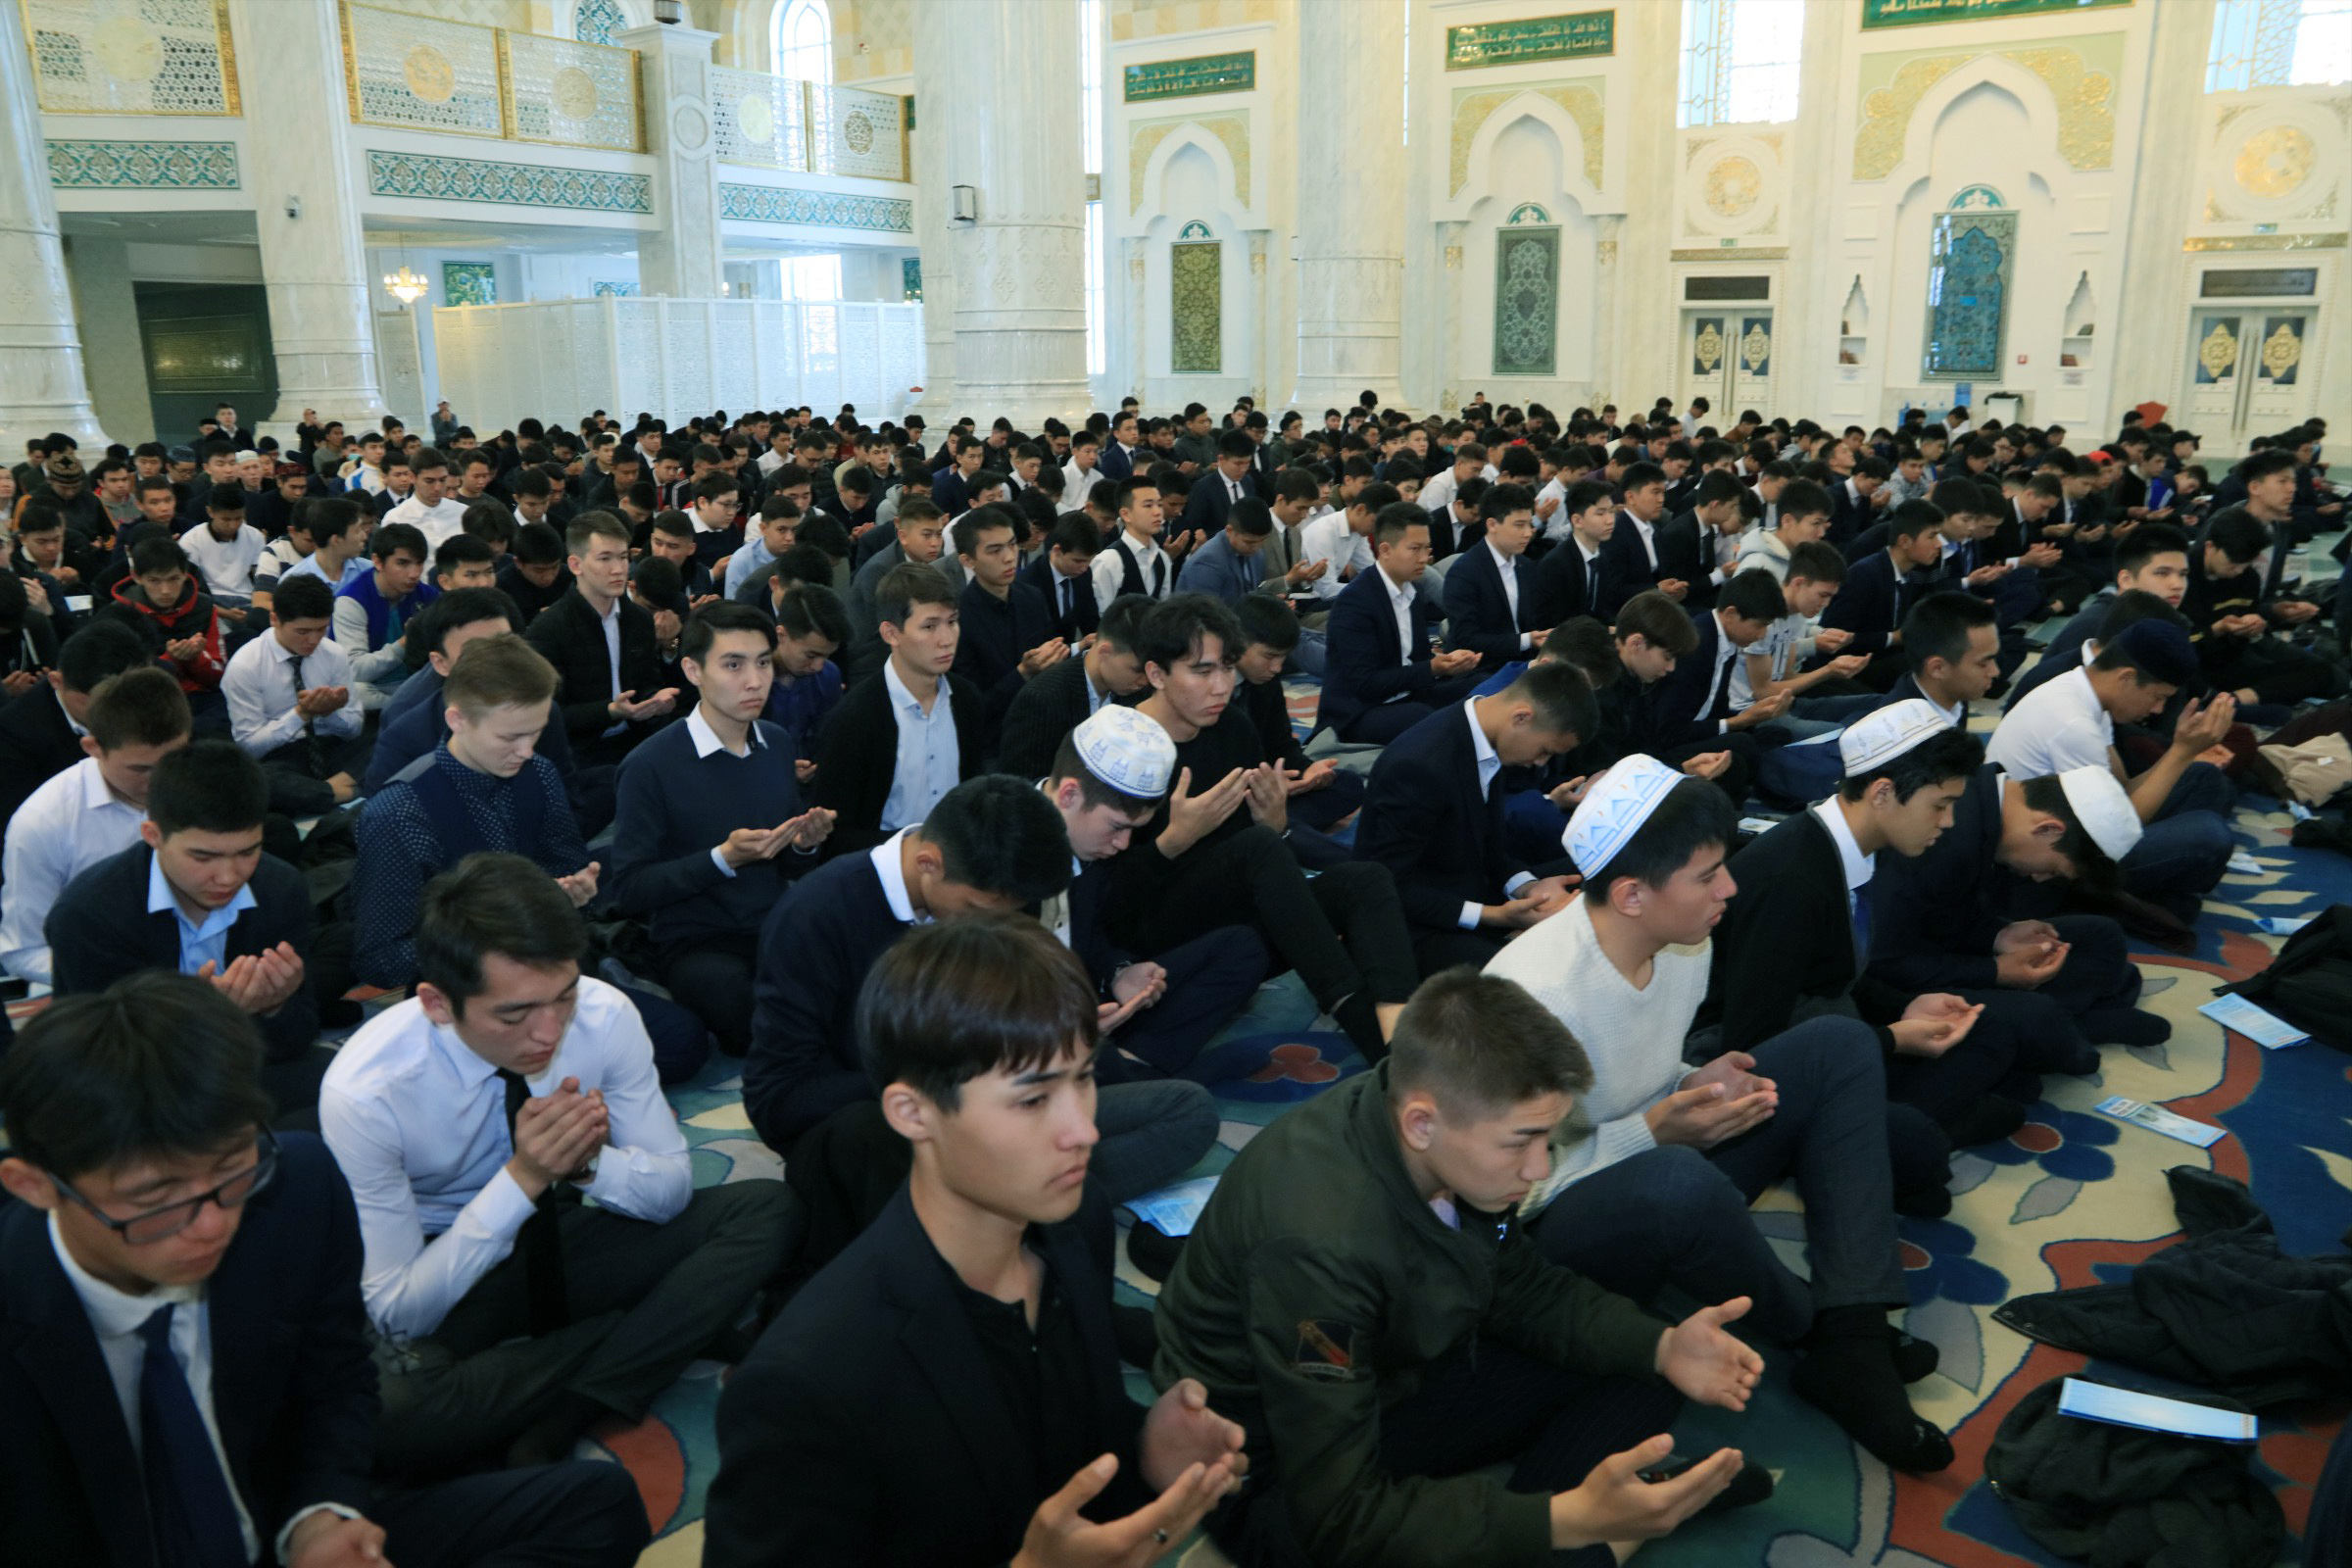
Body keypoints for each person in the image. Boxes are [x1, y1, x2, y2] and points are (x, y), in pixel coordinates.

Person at [0, 971, 652, 1568]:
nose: (212, 1225)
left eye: (232, 1170)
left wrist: (317, 1515)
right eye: (155, 1202)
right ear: (35, 1185)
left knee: (598, 1506)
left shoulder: (294, 1190)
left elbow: (335, 1381)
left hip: (273, 1530)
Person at [1153, 966, 1768, 1568]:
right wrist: (1565, 1521)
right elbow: (1338, 1514)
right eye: (1521, 1141)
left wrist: (1663, 1347)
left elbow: (1519, 1286)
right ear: (1421, 1124)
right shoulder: (1321, 1247)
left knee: (1649, 1353)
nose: (1539, 1168)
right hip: (1272, 1466)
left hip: (1393, 1374)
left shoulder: (1437, 1128)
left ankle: (1591, 1522)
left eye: (1546, 1138)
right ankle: (1594, 1530)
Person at [707, 917, 1248, 1568]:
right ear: (913, 1113)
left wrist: (1141, 1452)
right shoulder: (805, 1383)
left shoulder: (1077, 1225)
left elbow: (1052, 1453)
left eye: (1082, 1078)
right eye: (1032, 1100)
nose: (1084, 1130)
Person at [1489, 760, 1956, 1474]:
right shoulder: (1531, 1000)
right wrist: (1652, 1132)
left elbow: (1637, 1067)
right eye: (1708, 876)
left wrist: (1693, 1082)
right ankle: (1810, 1327)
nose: (1730, 889)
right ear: (1632, 894)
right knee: (1678, 1181)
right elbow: (1498, 1197)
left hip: (1645, 1151)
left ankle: (1853, 1334)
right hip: (1553, 1228)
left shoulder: (1685, 941)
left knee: (1838, 1042)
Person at [321, 853, 799, 1471]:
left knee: (767, 1210)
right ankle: (656, 1333)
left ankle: (571, 1407)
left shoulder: (603, 1013)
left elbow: (672, 1188)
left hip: (562, 1229)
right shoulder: (366, 1090)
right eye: (514, 1014)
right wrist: (525, 1177)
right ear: (438, 1004)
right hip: (443, 1257)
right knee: (391, 1409)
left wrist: (586, 1165)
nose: (548, 1033)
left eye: (563, 996)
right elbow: (398, 1311)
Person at [745, 775, 1217, 1215]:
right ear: (928, 864)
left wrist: (1061, 1036)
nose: (994, 929)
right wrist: (946, 1076)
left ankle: (1011, 1203)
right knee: (865, 1137)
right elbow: (778, 1102)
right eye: (979, 911)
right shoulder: (817, 915)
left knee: (1187, 1111)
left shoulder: (998, 892)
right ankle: (1018, 1207)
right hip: (892, 1126)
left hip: (996, 1106)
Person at [349, 633, 710, 1081]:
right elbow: (380, 959)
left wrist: (573, 893)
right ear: (457, 719)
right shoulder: (399, 812)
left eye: (536, 733)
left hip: (549, 971)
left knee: (683, 1042)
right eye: (510, 737)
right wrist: (489, 937)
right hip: (468, 998)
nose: (525, 750)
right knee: (520, 1079)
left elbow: (564, 865)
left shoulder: (537, 772)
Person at [1108, 595, 1417, 1060]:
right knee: (1258, 848)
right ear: (1156, 674)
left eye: (1226, 668)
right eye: (1202, 671)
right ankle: (1377, 1043)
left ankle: (1399, 1026)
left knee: (1365, 880)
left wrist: (1277, 827)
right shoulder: (1120, 744)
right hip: (1156, 935)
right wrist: (1173, 841)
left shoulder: (1232, 727)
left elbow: (1252, 856)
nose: (1221, 686)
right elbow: (1103, 900)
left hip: (1236, 915)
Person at [45, 741, 328, 1117]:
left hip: (244, 1067)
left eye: (247, 852)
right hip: (134, 1090)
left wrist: (275, 1006)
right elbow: (101, 1063)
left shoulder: (279, 888)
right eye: (203, 856)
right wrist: (208, 1017)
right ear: (153, 835)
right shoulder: (91, 913)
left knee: (344, 1089)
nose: (228, 877)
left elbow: (297, 1036)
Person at [610, 603, 835, 1055]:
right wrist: (722, 859)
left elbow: (787, 866)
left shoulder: (776, 743)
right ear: (692, 670)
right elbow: (630, 889)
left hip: (773, 923)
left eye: (763, 663)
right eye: (733, 665)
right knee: (747, 1009)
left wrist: (803, 846)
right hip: (696, 940)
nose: (754, 681)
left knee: (855, 979)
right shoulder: (650, 765)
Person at [1871, 755, 2165, 1053]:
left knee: (2102, 936)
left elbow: (1947, 915)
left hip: (1937, 946)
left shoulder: (1983, 804)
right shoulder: (1942, 833)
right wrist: (1994, 971)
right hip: (1889, 980)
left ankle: (2058, 1023)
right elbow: (1884, 960)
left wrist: (1997, 935)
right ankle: (2063, 1026)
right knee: (2031, 1016)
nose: (2040, 878)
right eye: (2053, 870)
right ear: (2048, 829)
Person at [1041, 707, 1269, 1078]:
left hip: (1087, 1000)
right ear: (1069, 795)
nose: (1123, 844)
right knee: (1183, 1104)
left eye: (1134, 830)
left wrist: (1119, 972)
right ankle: (1127, 1072)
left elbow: (1088, 934)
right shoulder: (1008, 851)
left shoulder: (1087, 838)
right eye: (1117, 827)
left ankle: (1131, 1063)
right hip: (1033, 1028)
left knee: (1242, 948)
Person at [1985, 618, 2237, 920]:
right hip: (2051, 862)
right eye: (2159, 697)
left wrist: (2182, 751)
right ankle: (2144, 897)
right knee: (2210, 835)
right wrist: (2182, 753)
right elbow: (2116, 829)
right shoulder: (2073, 724)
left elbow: (2122, 789)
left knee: (2204, 778)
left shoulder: (2084, 693)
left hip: (2079, 835)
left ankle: (2163, 892)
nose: (2158, 710)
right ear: (2126, 678)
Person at [1353, 662, 1591, 971]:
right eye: (1545, 750)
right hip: (1414, 921)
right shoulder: (1418, 766)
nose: (1540, 763)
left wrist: (1529, 888)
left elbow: (1491, 846)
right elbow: (1389, 887)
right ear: (1521, 717)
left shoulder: (1488, 735)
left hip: (1467, 883)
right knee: (1526, 976)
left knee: (1597, 865)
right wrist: (1494, 916)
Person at [0, 666, 192, 985]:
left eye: (170, 762)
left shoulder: (200, 785)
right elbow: (24, 951)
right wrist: (123, 979)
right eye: (140, 769)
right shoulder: (42, 822)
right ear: (93, 748)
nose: (159, 780)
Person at [813, 564, 984, 854]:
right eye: (929, 626)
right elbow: (835, 837)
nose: (947, 639)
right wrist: (914, 847)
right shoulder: (854, 719)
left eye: (952, 621)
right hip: (881, 867)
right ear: (891, 633)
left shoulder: (966, 699)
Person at [1318, 504, 1484, 744]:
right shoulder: (1355, 603)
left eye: (1427, 548)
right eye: (1415, 549)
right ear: (1385, 550)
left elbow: (1417, 659)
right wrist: (1431, 668)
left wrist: (1447, 662)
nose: (1424, 558)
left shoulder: (1411, 590)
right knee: (1424, 718)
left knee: (1478, 689)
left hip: (1407, 694)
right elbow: (1365, 683)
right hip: (1361, 710)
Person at [525, 512, 679, 766]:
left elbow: (647, 680)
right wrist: (610, 711)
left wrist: (654, 700)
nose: (618, 569)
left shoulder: (639, 619)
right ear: (576, 565)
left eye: (623, 557)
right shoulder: (547, 629)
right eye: (605, 558)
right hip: (580, 754)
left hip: (637, 741)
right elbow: (549, 715)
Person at [0, 617, 149, 845]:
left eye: (125, 697)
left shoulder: (149, 694)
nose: (114, 710)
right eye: (95, 701)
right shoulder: (14, 734)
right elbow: (22, 829)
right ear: (57, 681)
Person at [997, 592, 1152, 781]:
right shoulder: (1042, 700)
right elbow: (1022, 785)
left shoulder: (1139, 695)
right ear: (1105, 652)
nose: (1145, 681)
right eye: (1137, 670)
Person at [948, 507, 1066, 753]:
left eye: (1012, 545)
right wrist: (1022, 673)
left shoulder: (1032, 597)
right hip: (993, 743)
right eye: (995, 550)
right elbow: (971, 706)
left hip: (1041, 727)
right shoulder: (957, 618)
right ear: (968, 561)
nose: (1009, 557)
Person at [329, 520, 434, 710]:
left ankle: (408, 708)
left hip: (414, 684)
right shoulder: (351, 601)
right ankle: (406, 710)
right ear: (378, 562)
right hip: (374, 688)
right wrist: (404, 643)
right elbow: (354, 670)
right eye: (402, 563)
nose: (414, 574)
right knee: (355, 691)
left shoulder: (428, 596)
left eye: (419, 563)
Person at [1443, 483, 1548, 671]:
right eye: (1519, 525)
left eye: (1529, 524)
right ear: (1492, 525)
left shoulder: (1525, 566)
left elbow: (1535, 619)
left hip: (1525, 662)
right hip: (1481, 668)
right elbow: (1467, 639)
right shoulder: (1464, 572)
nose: (1528, 533)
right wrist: (1525, 640)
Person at [1090, 475, 1182, 611]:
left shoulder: (1162, 559)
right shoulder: (1109, 561)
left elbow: (1163, 614)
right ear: (1125, 514)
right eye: (1148, 505)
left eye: (1159, 505)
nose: (1157, 512)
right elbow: (1101, 616)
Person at [378, 447, 468, 554]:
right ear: (412, 477)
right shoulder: (395, 519)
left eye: (442, 480)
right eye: (429, 481)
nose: (438, 487)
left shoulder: (464, 513)